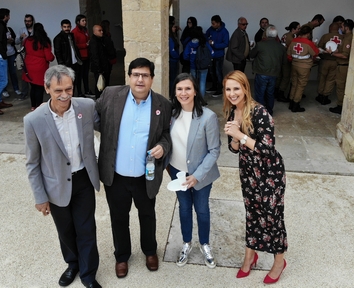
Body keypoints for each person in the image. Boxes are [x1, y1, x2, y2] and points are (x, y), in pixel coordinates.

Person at [24, 65, 102, 288]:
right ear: (47, 88)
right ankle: (72, 264)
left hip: (83, 179)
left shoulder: (86, 106)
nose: (65, 95)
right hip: (56, 185)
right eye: (58, 90)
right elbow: (32, 163)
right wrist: (40, 197)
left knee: (86, 229)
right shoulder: (33, 120)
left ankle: (88, 275)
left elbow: (108, 126)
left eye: (69, 89)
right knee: (65, 230)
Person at [95, 57, 172, 278]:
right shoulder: (111, 95)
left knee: (147, 215)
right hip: (116, 174)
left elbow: (166, 134)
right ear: (129, 77)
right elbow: (90, 113)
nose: (140, 80)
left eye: (145, 75)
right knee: (118, 217)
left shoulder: (163, 105)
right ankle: (122, 256)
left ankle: (150, 251)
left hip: (145, 175)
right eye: (136, 74)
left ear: (152, 79)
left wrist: (163, 146)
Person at [222, 71, 287, 284]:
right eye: (228, 89)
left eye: (236, 88)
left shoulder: (260, 112)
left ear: (245, 88)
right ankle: (250, 256)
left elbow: (268, 149)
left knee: (272, 217)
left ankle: (279, 261)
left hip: (269, 173)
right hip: (248, 172)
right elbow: (234, 149)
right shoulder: (233, 113)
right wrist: (234, 138)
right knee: (252, 214)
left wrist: (240, 135)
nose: (232, 93)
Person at [167, 73, 220, 268]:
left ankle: (205, 244)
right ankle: (186, 243)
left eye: (188, 88)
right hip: (177, 172)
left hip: (201, 175)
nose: (184, 93)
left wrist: (197, 176)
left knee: (202, 209)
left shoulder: (208, 117)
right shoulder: (171, 114)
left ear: (195, 91)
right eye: (179, 89)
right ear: (175, 92)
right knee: (184, 208)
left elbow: (214, 151)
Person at [249, 26, 286, 115]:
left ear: (266, 34)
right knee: (270, 93)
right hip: (274, 74)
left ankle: (260, 113)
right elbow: (284, 61)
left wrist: (251, 47)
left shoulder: (260, 44)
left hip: (262, 73)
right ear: (276, 35)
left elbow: (251, 55)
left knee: (260, 93)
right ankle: (269, 112)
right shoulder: (281, 47)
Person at [22, 23, 55, 110]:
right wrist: (53, 57)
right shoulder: (45, 41)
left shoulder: (28, 40)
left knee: (33, 87)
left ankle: (33, 106)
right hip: (40, 67)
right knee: (39, 88)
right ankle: (39, 107)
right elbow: (49, 57)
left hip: (29, 66)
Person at [286, 25, 319, 112]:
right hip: (304, 67)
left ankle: (291, 103)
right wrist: (315, 46)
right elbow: (315, 53)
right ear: (308, 33)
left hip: (294, 65)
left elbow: (288, 53)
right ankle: (295, 105)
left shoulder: (293, 41)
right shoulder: (309, 43)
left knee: (294, 84)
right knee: (300, 86)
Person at [329, 18, 354, 114]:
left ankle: (340, 106)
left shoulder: (348, 39)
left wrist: (332, 54)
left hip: (343, 66)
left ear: (347, 28)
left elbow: (344, 55)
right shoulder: (346, 37)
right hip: (341, 65)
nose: (341, 28)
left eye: (342, 27)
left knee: (340, 87)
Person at [316, 22, 343, 105]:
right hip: (336, 61)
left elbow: (319, 48)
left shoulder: (325, 36)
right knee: (331, 80)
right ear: (338, 29)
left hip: (325, 61)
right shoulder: (342, 37)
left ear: (330, 28)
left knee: (322, 78)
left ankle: (320, 95)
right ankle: (325, 97)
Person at [183, 26, 213, 98]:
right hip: (203, 66)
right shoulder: (204, 43)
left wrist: (191, 59)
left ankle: (194, 99)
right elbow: (212, 53)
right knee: (202, 83)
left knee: (193, 83)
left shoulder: (190, 44)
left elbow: (185, 56)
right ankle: (201, 100)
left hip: (193, 66)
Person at [205, 15, 229, 97]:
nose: (212, 25)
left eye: (214, 23)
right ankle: (214, 86)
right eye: (212, 23)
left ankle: (220, 89)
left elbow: (226, 44)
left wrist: (214, 44)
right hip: (211, 55)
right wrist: (209, 41)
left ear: (218, 23)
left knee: (218, 72)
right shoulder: (211, 29)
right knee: (212, 72)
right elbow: (205, 36)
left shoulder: (224, 32)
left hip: (219, 55)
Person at [89, 24, 115, 98]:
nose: (101, 32)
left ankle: (104, 97)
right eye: (99, 30)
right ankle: (99, 98)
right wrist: (99, 69)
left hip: (105, 65)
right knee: (100, 84)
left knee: (105, 83)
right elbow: (95, 56)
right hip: (99, 67)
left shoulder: (102, 39)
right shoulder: (94, 42)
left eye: (102, 30)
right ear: (94, 32)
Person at [277, 21, 300, 103]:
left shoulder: (285, 35)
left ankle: (276, 92)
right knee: (286, 77)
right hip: (286, 59)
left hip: (281, 58)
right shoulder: (291, 38)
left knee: (280, 76)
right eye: (298, 28)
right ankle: (281, 94)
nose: (299, 30)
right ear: (293, 29)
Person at [16, 14, 35, 99]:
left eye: (29, 21)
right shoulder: (21, 30)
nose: (27, 23)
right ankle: (24, 92)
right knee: (24, 73)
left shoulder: (36, 29)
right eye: (26, 21)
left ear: (32, 21)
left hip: (34, 54)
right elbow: (16, 42)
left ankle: (34, 91)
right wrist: (20, 37)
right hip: (24, 54)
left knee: (33, 72)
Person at [72, 14, 91, 96]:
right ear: (78, 22)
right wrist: (85, 45)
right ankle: (79, 92)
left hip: (86, 55)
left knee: (86, 74)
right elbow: (75, 45)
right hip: (80, 57)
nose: (85, 22)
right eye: (83, 21)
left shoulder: (85, 30)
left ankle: (87, 90)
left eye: (85, 20)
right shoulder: (75, 32)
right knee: (79, 76)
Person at [5, 17, 21, 97]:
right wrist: (6, 41)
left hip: (11, 53)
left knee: (13, 72)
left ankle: (16, 88)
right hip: (4, 55)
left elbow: (15, 40)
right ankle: (4, 90)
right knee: (4, 74)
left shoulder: (9, 29)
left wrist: (12, 40)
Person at [101, 20, 117, 85]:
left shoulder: (107, 36)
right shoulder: (105, 37)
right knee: (106, 76)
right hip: (107, 58)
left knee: (107, 76)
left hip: (108, 58)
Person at [169, 19, 181, 90]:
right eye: (173, 27)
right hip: (173, 60)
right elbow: (172, 51)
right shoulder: (170, 39)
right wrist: (177, 56)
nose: (175, 28)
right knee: (173, 77)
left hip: (174, 59)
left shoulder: (173, 36)